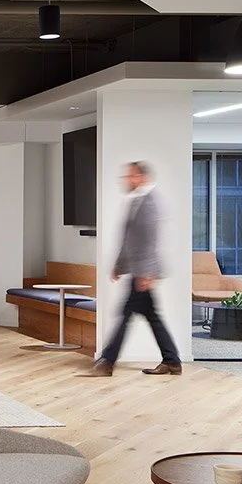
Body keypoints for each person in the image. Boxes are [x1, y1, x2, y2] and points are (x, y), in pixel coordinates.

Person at [90, 161, 182, 377]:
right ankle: (172, 361)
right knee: (151, 316)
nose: (126, 180)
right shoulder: (135, 201)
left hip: (143, 272)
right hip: (138, 271)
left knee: (125, 315)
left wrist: (148, 273)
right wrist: (119, 266)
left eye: (130, 176)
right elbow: (129, 239)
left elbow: (151, 239)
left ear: (141, 177)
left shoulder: (149, 203)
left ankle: (107, 361)